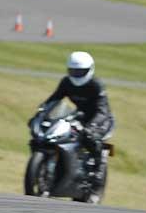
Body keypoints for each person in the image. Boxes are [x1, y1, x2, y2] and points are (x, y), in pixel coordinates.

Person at [39, 51, 114, 185]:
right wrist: (41, 113)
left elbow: (102, 110)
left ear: (90, 70)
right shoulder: (67, 82)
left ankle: (99, 169)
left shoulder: (96, 85)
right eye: (73, 71)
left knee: (89, 136)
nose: (76, 75)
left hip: (101, 119)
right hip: (81, 115)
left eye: (80, 72)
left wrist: (92, 127)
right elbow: (54, 99)